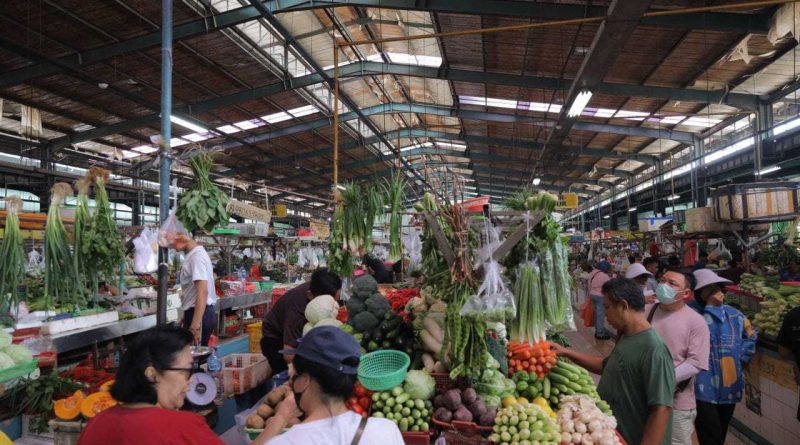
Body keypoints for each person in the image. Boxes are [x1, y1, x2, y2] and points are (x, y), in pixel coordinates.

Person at [551, 278, 675, 445]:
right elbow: (606, 366)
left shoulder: (654, 349)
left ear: (623, 306)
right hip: (613, 435)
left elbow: (661, 409)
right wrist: (566, 352)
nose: (604, 313)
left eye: (607, 307)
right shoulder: (626, 336)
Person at [253, 326, 403, 445]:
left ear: (304, 381)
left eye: (295, 374)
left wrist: (281, 417)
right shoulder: (385, 430)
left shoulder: (286, 442)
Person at [77, 325, 224, 445]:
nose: (190, 380)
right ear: (152, 374)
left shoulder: (95, 425)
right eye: (186, 371)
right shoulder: (184, 427)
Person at [691, 269, 757, 445]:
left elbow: (750, 336)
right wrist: (711, 308)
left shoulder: (734, 314)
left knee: (721, 431)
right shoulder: (693, 315)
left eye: (717, 287)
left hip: (730, 385)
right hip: (702, 388)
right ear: (699, 293)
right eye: (710, 288)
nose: (716, 291)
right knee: (710, 435)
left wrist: (739, 360)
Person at [648, 268, 710, 445]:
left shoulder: (696, 321)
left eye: (672, 283)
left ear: (687, 293)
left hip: (676, 402)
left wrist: (662, 379)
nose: (664, 285)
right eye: (662, 280)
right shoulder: (648, 310)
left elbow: (696, 362)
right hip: (645, 397)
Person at [261, 269, 342, 376]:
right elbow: (289, 355)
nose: (336, 305)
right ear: (310, 295)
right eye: (332, 302)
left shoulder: (321, 287)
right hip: (276, 341)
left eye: (336, 300)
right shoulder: (297, 312)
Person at [168, 232, 217, 346]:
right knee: (194, 353)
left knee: (195, 354)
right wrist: (187, 316)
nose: (172, 247)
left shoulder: (196, 257)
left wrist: (195, 326)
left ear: (182, 236)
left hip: (200, 314)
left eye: (172, 242)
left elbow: (202, 291)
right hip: (197, 313)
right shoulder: (195, 254)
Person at [587, 261, 613, 340]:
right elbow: (610, 286)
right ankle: (600, 334)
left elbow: (589, 285)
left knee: (596, 314)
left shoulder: (592, 273)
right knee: (600, 315)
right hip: (600, 296)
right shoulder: (604, 276)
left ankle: (597, 330)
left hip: (592, 295)